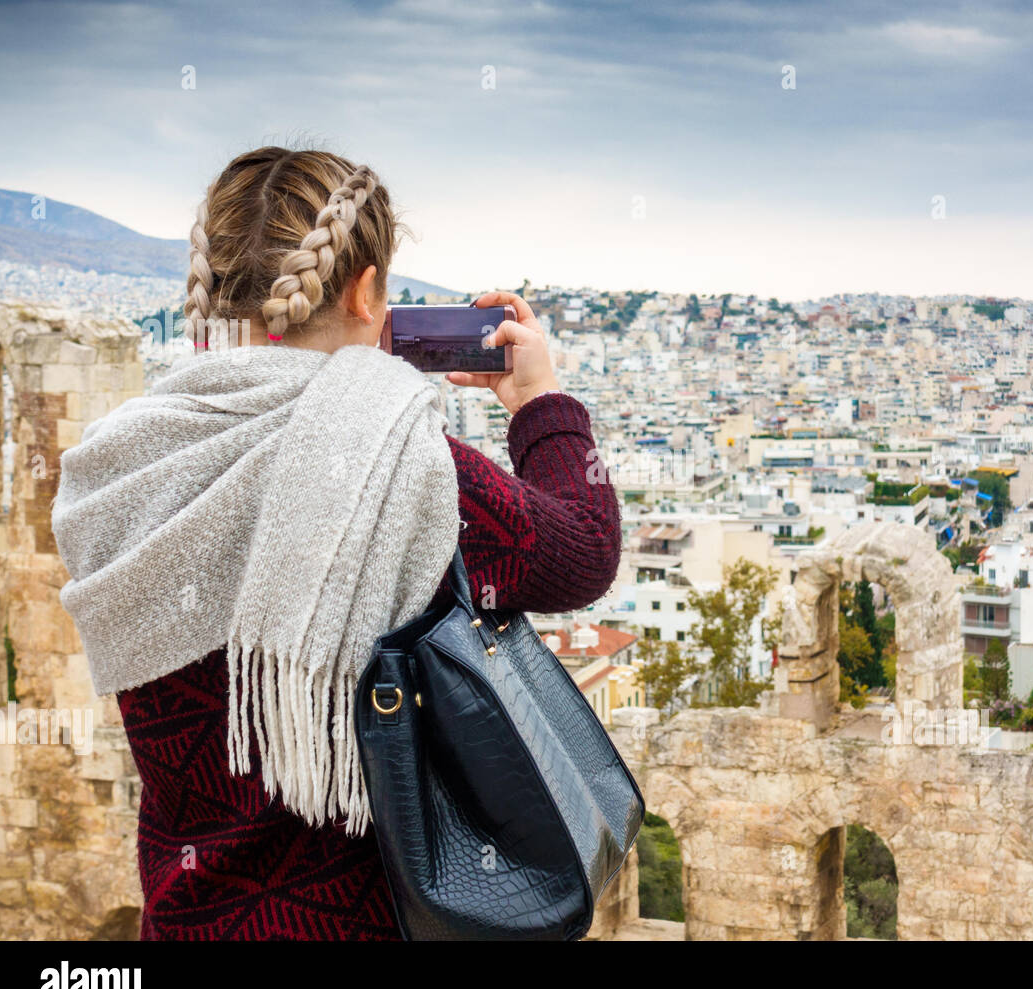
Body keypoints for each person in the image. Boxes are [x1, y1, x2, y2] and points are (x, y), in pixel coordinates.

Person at [51, 146, 620, 940]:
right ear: (365, 290)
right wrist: (537, 399)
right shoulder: (394, 465)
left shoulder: (114, 468)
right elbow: (585, 548)